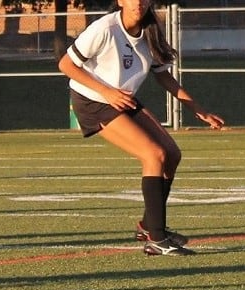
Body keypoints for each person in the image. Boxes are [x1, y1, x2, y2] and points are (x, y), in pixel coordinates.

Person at [58, 0, 225, 256]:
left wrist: (197, 109)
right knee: (153, 155)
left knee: (172, 154)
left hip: (122, 99)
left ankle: (148, 225)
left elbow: (163, 75)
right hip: (93, 101)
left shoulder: (150, 31)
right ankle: (157, 239)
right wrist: (107, 92)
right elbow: (66, 65)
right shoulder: (105, 28)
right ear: (120, 1)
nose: (138, 2)